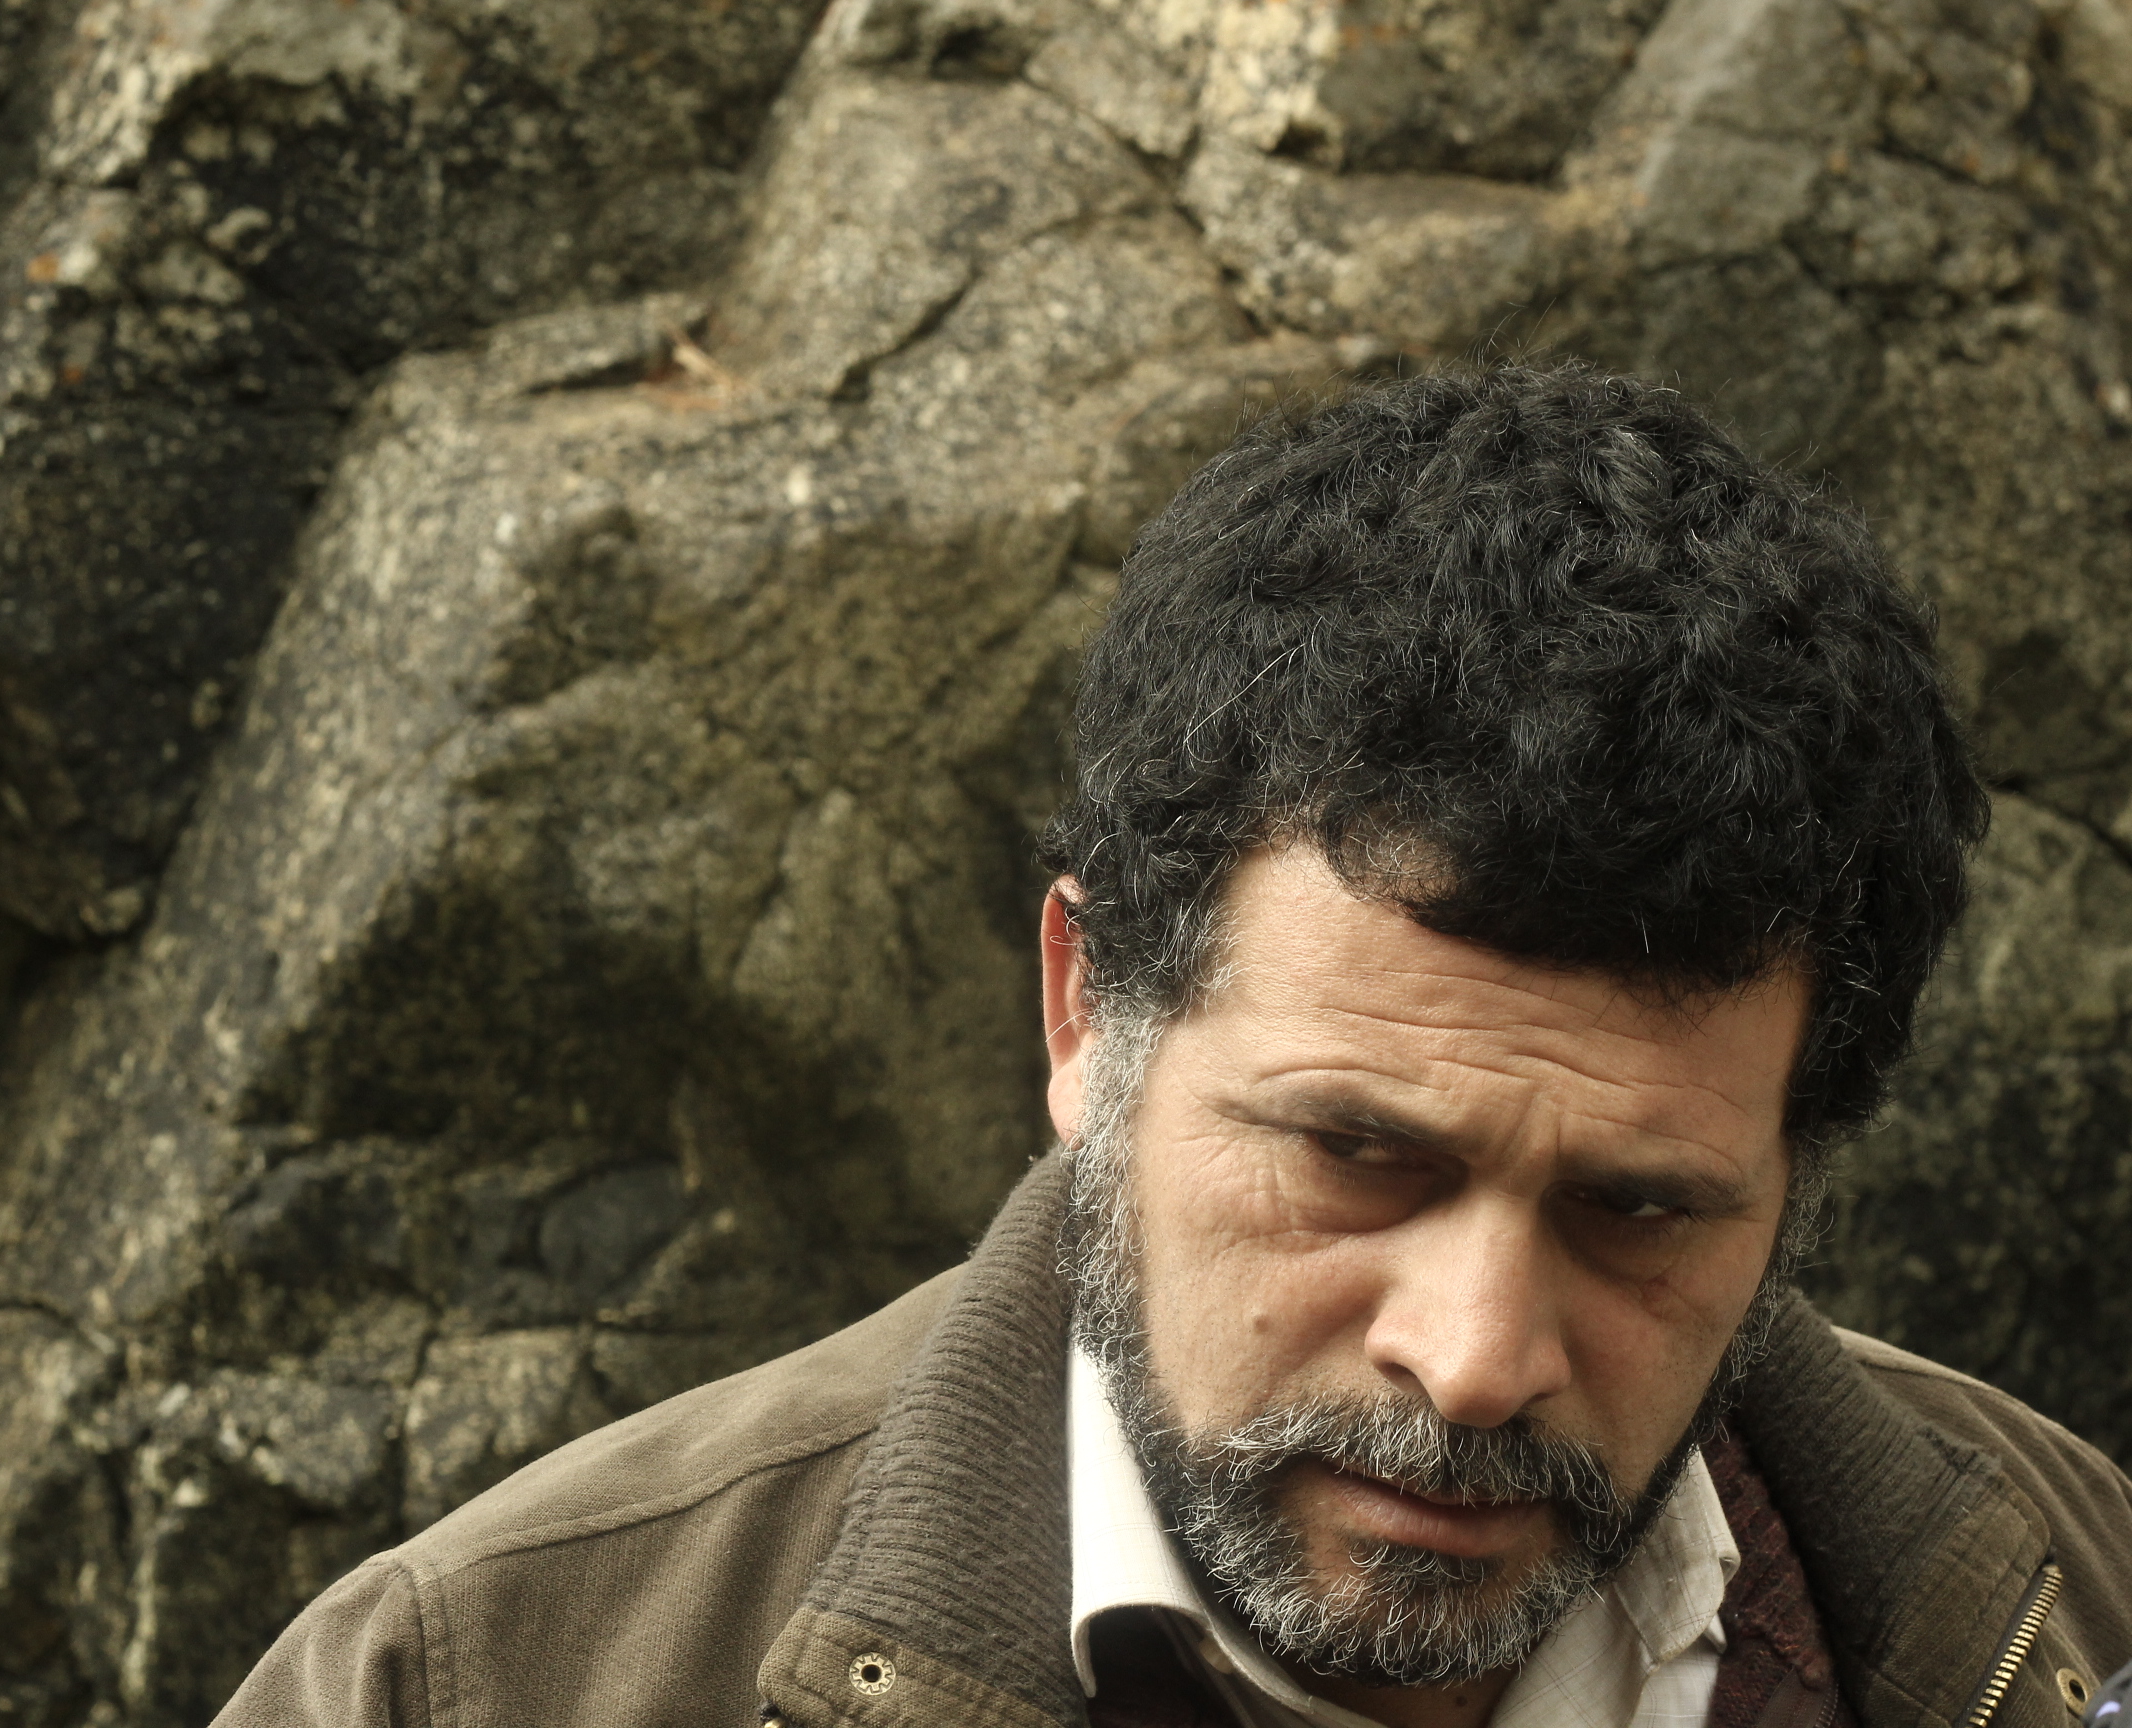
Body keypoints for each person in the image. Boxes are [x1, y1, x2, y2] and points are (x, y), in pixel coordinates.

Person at [210, 364, 2132, 1728]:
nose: (1473, 1359)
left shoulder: (2078, 1596)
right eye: (1357, 1154)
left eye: (1638, 1211)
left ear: (1797, 1169)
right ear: (1084, 1008)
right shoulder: (469, 1682)